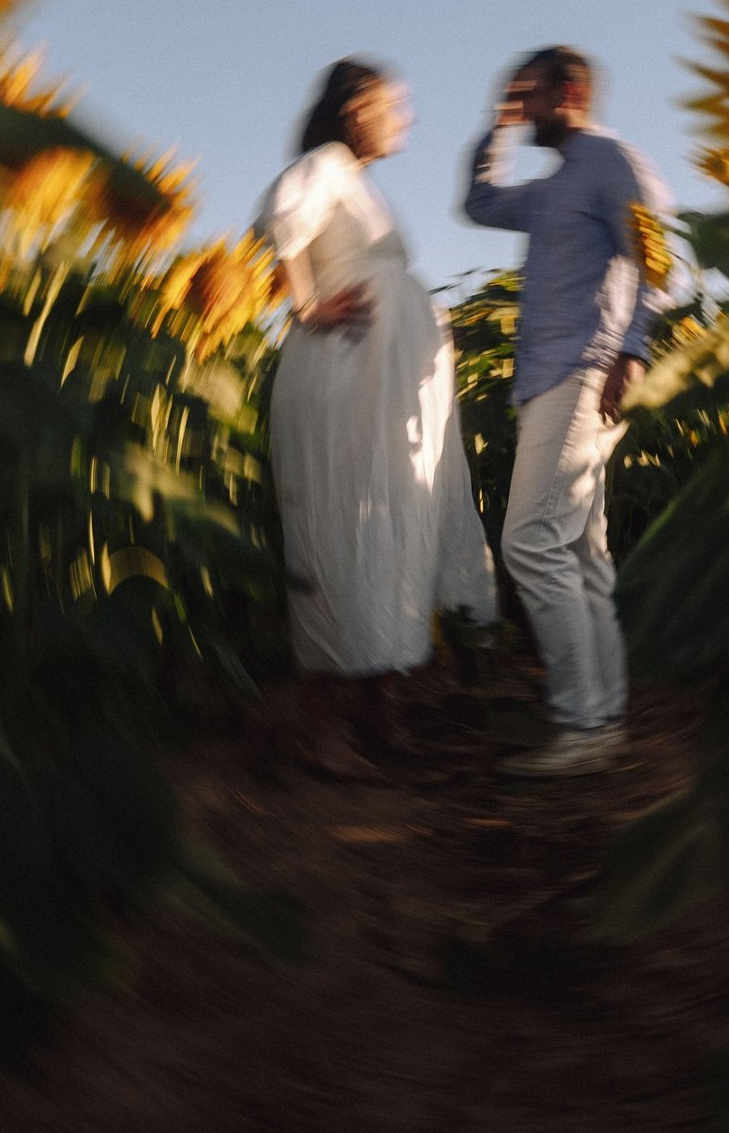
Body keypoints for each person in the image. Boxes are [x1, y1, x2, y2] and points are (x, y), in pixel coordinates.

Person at [257, 58, 497, 779]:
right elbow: (280, 223)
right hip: (344, 377)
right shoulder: (325, 165)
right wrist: (306, 304)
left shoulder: (360, 184)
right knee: (340, 529)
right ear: (356, 107)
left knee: (388, 525)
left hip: (385, 382)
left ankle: (377, 713)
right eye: (396, 104)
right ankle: (321, 730)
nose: (406, 118)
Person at [463, 45, 673, 778]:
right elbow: (480, 203)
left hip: (587, 374)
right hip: (547, 382)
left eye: (530, 97)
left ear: (571, 91)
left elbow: (658, 255)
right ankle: (604, 713)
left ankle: (580, 721)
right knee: (583, 554)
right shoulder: (555, 188)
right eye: (514, 98)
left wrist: (633, 349)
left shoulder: (612, 160)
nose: (524, 111)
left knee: (530, 541)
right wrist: (495, 129)